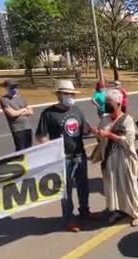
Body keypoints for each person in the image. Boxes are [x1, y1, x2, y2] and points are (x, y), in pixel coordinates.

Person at [36, 80, 95, 233]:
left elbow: (85, 129)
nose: (70, 97)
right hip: (63, 158)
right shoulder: (48, 114)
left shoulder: (77, 110)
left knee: (83, 186)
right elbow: (41, 136)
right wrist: (51, 153)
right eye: (67, 94)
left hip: (79, 155)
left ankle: (85, 211)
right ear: (59, 95)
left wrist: (98, 130)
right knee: (66, 191)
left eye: (72, 94)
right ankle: (68, 219)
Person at [95, 89, 138, 226]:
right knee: (113, 187)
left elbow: (128, 142)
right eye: (106, 102)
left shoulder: (127, 121)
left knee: (129, 187)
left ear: (118, 103)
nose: (107, 105)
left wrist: (108, 135)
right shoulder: (104, 119)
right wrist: (97, 133)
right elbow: (100, 136)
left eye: (109, 102)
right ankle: (118, 211)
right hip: (109, 159)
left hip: (125, 159)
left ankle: (136, 212)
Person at [0, 80, 33, 151]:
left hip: (27, 127)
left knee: (29, 149)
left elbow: (30, 111)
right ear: (6, 88)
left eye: (15, 87)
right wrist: (24, 110)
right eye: (12, 87)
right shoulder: (4, 100)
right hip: (17, 129)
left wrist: (18, 112)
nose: (14, 89)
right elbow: (12, 114)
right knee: (20, 149)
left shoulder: (21, 98)